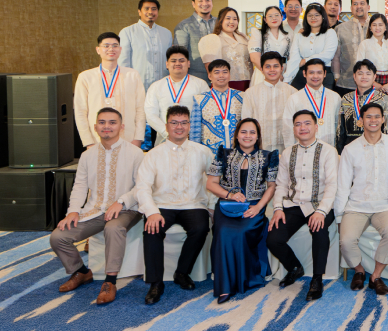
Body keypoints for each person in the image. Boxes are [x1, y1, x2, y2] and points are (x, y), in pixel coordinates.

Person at [50, 108, 144, 305]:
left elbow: (141, 186)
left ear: (121, 126)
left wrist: (121, 201)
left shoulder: (135, 153)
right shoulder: (88, 155)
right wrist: (73, 211)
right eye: (102, 122)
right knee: (58, 237)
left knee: (113, 227)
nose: (106, 126)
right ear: (95, 127)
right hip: (95, 210)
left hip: (127, 209)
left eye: (112, 122)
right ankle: (81, 272)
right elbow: (80, 185)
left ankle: (110, 281)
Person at [136, 105, 215, 305]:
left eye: (183, 122)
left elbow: (215, 181)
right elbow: (142, 187)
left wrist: (212, 207)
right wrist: (151, 212)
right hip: (162, 205)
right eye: (174, 123)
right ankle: (156, 283)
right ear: (166, 126)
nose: (179, 127)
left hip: (193, 204)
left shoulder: (203, 152)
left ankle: (182, 272)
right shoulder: (153, 154)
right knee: (152, 230)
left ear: (189, 125)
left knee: (201, 227)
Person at [333, 102, 388, 296]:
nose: (373, 120)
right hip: (357, 205)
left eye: (377, 116)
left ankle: (376, 276)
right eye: (368, 117)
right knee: (346, 240)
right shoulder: (350, 149)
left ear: (383, 120)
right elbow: (343, 185)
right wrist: (339, 216)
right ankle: (359, 271)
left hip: (386, 205)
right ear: (361, 121)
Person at [205, 118, 278, 304]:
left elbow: (271, 186)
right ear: (237, 135)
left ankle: (244, 278)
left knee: (243, 231)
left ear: (258, 136)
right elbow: (211, 183)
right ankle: (224, 286)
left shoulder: (268, 156)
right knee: (223, 231)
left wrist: (258, 207)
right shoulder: (224, 154)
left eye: (252, 132)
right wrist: (230, 194)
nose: (248, 136)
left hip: (254, 207)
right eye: (243, 132)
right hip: (227, 206)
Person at [269, 110, 339, 302]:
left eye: (307, 123)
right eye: (298, 124)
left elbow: (332, 185)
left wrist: (321, 212)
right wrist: (278, 209)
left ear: (316, 127)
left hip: (319, 203)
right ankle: (294, 267)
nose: (303, 128)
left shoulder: (328, 151)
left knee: (319, 230)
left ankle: (317, 279)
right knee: (273, 238)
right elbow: (281, 184)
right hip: (294, 204)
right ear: (294, 129)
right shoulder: (287, 153)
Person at [76, 33, 147, 149]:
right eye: (106, 46)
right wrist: (88, 142)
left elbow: (141, 109)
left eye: (115, 45)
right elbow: (80, 112)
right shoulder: (85, 77)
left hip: (128, 140)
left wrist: (138, 139)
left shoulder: (132, 75)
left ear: (120, 49)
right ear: (98, 50)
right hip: (96, 141)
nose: (111, 49)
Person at [145, 46, 209, 147]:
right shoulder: (156, 86)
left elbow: (206, 113)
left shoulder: (201, 85)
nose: (177, 63)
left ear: (188, 63)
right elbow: (150, 114)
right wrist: (167, 132)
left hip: (193, 140)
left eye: (181, 61)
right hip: (164, 140)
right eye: (173, 61)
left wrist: (189, 133)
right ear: (167, 64)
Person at [241, 51, 298, 153]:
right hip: (260, 147)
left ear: (282, 68)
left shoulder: (292, 92)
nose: (272, 70)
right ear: (261, 69)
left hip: (286, 147)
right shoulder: (251, 93)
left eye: (276, 66)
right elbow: (246, 121)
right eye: (268, 67)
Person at [335, 60, 388, 151]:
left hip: (376, 146)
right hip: (351, 147)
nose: (364, 77)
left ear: (374, 77)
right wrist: (340, 151)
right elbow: (340, 128)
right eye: (360, 73)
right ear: (354, 76)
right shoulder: (346, 98)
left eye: (368, 74)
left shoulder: (383, 99)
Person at [189, 59, 244, 156]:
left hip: (238, 154)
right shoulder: (199, 99)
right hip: (210, 155)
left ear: (230, 75)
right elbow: (195, 132)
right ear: (209, 76)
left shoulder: (242, 97)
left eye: (225, 72)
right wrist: (195, 155)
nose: (221, 75)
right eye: (217, 72)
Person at [118, 0, 173, 94]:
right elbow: (123, 63)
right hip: (137, 87)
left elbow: (170, 60)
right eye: (146, 9)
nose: (150, 12)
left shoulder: (166, 33)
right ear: (139, 12)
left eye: (154, 9)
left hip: (163, 87)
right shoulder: (127, 32)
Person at [286, 59, 340, 146]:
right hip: (303, 149)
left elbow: (338, 126)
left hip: (329, 148)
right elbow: (288, 128)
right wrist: (291, 151)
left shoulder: (335, 97)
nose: (315, 76)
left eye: (319, 72)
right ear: (304, 74)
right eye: (311, 73)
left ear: (325, 74)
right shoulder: (294, 98)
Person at [199, 7, 253, 90]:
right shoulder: (213, 39)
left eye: (235, 19)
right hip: (226, 83)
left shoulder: (244, 38)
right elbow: (210, 67)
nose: (232, 22)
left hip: (248, 82)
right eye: (228, 18)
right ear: (221, 21)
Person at [286, 4, 338, 89]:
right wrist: (287, 78)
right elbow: (294, 58)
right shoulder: (299, 35)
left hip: (323, 75)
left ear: (323, 17)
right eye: (310, 15)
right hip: (302, 75)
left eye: (317, 15)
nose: (313, 18)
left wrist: (305, 60)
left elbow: (327, 55)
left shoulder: (330, 33)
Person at [332, 0, 370, 95]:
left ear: (368, 7)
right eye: (355, 4)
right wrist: (336, 77)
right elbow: (336, 56)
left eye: (362, 3)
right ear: (351, 8)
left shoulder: (377, 27)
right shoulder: (340, 28)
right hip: (346, 83)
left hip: (373, 83)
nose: (359, 6)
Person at [174, 0, 215, 79]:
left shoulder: (220, 23)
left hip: (219, 77)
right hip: (195, 77)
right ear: (193, 4)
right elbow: (180, 54)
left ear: (212, 3)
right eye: (200, 1)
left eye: (207, 0)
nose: (204, 3)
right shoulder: (184, 26)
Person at [355, 13, 388, 96]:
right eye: (374, 25)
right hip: (369, 80)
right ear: (370, 28)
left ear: (385, 27)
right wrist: (373, 83)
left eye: (380, 25)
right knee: (370, 103)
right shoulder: (364, 44)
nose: (377, 28)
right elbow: (359, 66)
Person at [249, 6, 293, 87]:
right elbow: (254, 58)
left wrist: (284, 74)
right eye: (270, 16)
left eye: (276, 15)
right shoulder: (258, 33)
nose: (274, 18)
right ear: (265, 19)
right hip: (263, 72)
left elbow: (291, 57)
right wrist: (270, 72)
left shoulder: (288, 35)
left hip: (283, 73)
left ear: (281, 17)